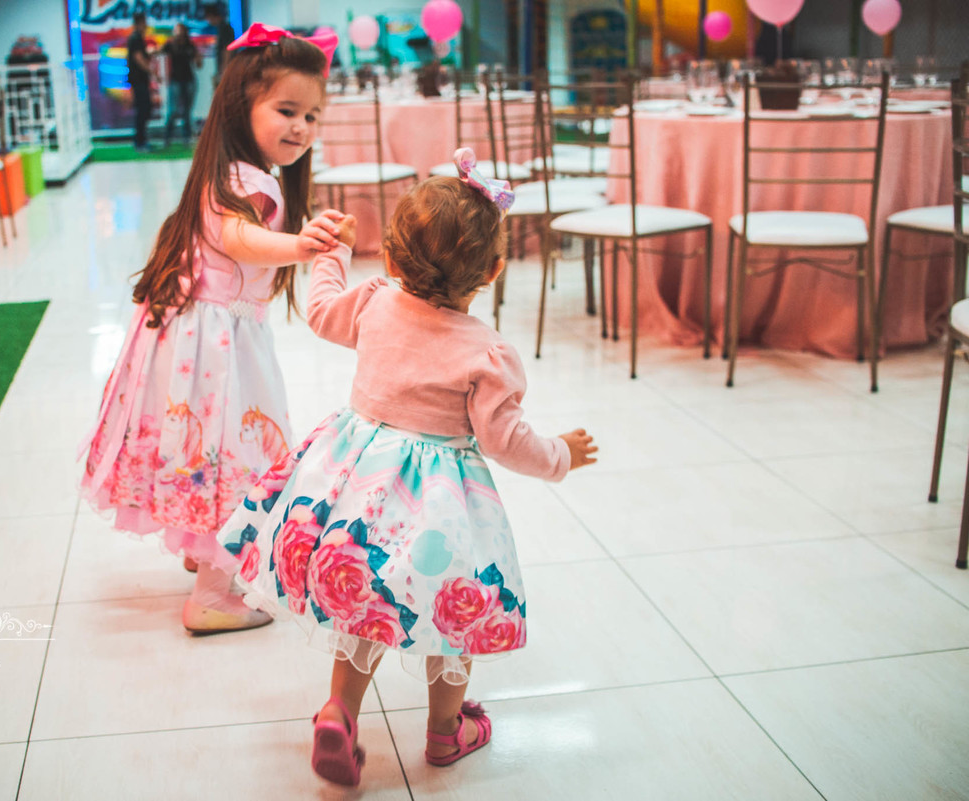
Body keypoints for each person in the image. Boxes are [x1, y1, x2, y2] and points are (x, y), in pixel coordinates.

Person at [215, 149, 598, 786]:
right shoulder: (487, 353)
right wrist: (561, 454)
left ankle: (339, 712)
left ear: (391, 261)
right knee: (451, 610)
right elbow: (505, 441)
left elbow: (321, 309)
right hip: (438, 511)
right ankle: (446, 732)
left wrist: (335, 252)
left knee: (362, 599)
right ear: (494, 270)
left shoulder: (374, 303)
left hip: (355, 486)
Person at [81, 25, 342, 634]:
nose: (302, 127)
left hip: (198, 335)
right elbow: (237, 237)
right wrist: (300, 245)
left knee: (205, 451)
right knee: (237, 458)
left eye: (311, 115)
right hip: (217, 346)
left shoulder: (234, 170)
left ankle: (203, 555)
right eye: (286, 110)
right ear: (240, 105)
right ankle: (212, 596)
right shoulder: (244, 180)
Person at [162, 22, 202, 142]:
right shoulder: (170, 45)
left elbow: (198, 63)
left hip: (188, 80)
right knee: (172, 110)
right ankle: (167, 136)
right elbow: (158, 53)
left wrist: (198, 58)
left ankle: (186, 136)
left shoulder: (190, 45)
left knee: (187, 111)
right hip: (175, 80)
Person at [126, 12, 153, 152]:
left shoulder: (137, 38)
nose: (146, 25)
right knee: (143, 110)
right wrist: (152, 71)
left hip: (139, 80)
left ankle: (141, 140)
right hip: (138, 80)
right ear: (139, 23)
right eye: (144, 22)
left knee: (144, 110)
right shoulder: (135, 38)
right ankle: (140, 141)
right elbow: (138, 58)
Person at [203, 3, 236, 85]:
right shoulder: (221, 28)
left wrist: (224, 70)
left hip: (226, 68)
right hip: (224, 68)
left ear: (211, 16)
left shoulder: (225, 28)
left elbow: (227, 50)